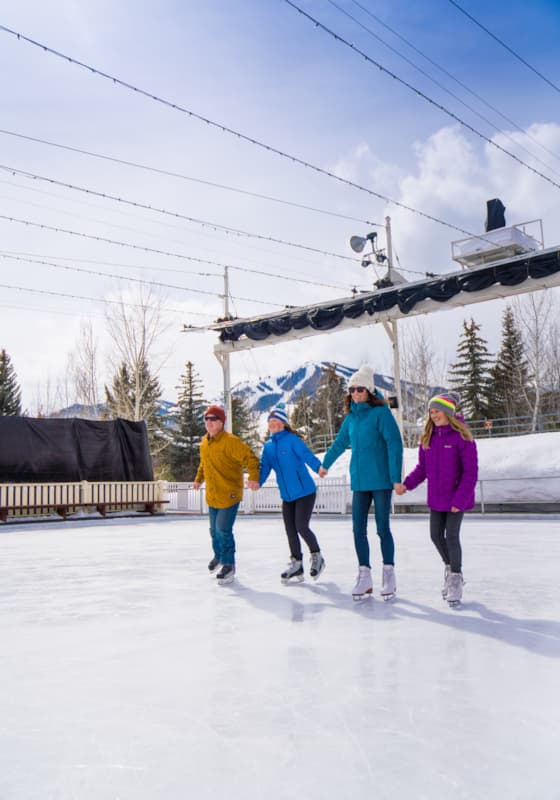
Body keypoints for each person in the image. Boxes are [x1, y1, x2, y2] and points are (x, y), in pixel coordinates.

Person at [322, 365, 403, 600]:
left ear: (369, 390)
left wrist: (396, 477)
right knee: (358, 529)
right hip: (359, 482)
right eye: (352, 390)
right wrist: (325, 464)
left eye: (359, 389)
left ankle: (389, 573)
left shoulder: (381, 413)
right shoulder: (351, 419)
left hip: (380, 481)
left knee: (382, 528)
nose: (355, 393)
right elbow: (339, 444)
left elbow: (394, 444)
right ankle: (364, 575)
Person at [394, 393, 478, 606]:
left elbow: (471, 473)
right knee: (434, 536)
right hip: (437, 498)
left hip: (457, 498)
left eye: (437, 411)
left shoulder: (463, 438)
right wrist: (407, 484)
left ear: (448, 412)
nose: (433, 415)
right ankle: (450, 568)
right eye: (431, 412)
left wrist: (460, 499)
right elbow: (422, 469)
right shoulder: (427, 439)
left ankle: (455, 580)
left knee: (451, 536)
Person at [259, 403, 327, 584]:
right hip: (287, 495)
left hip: (305, 491)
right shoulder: (268, 447)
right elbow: (264, 467)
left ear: (283, 423)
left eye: (275, 420)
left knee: (301, 526)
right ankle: (296, 564)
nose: (272, 423)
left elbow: (307, 455)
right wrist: (257, 482)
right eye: (270, 421)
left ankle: (317, 557)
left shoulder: (292, 440)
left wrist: (318, 467)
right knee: (290, 530)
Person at [193, 404, 260, 585]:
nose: (209, 422)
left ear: (221, 422)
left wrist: (253, 477)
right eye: (206, 419)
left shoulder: (231, 442)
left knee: (223, 529)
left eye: (213, 419)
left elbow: (251, 458)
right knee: (214, 531)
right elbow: (203, 464)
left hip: (229, 493)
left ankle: (229, 564)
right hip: (213, 494)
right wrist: (198, 479)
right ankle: (219, 556)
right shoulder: (204, 442)